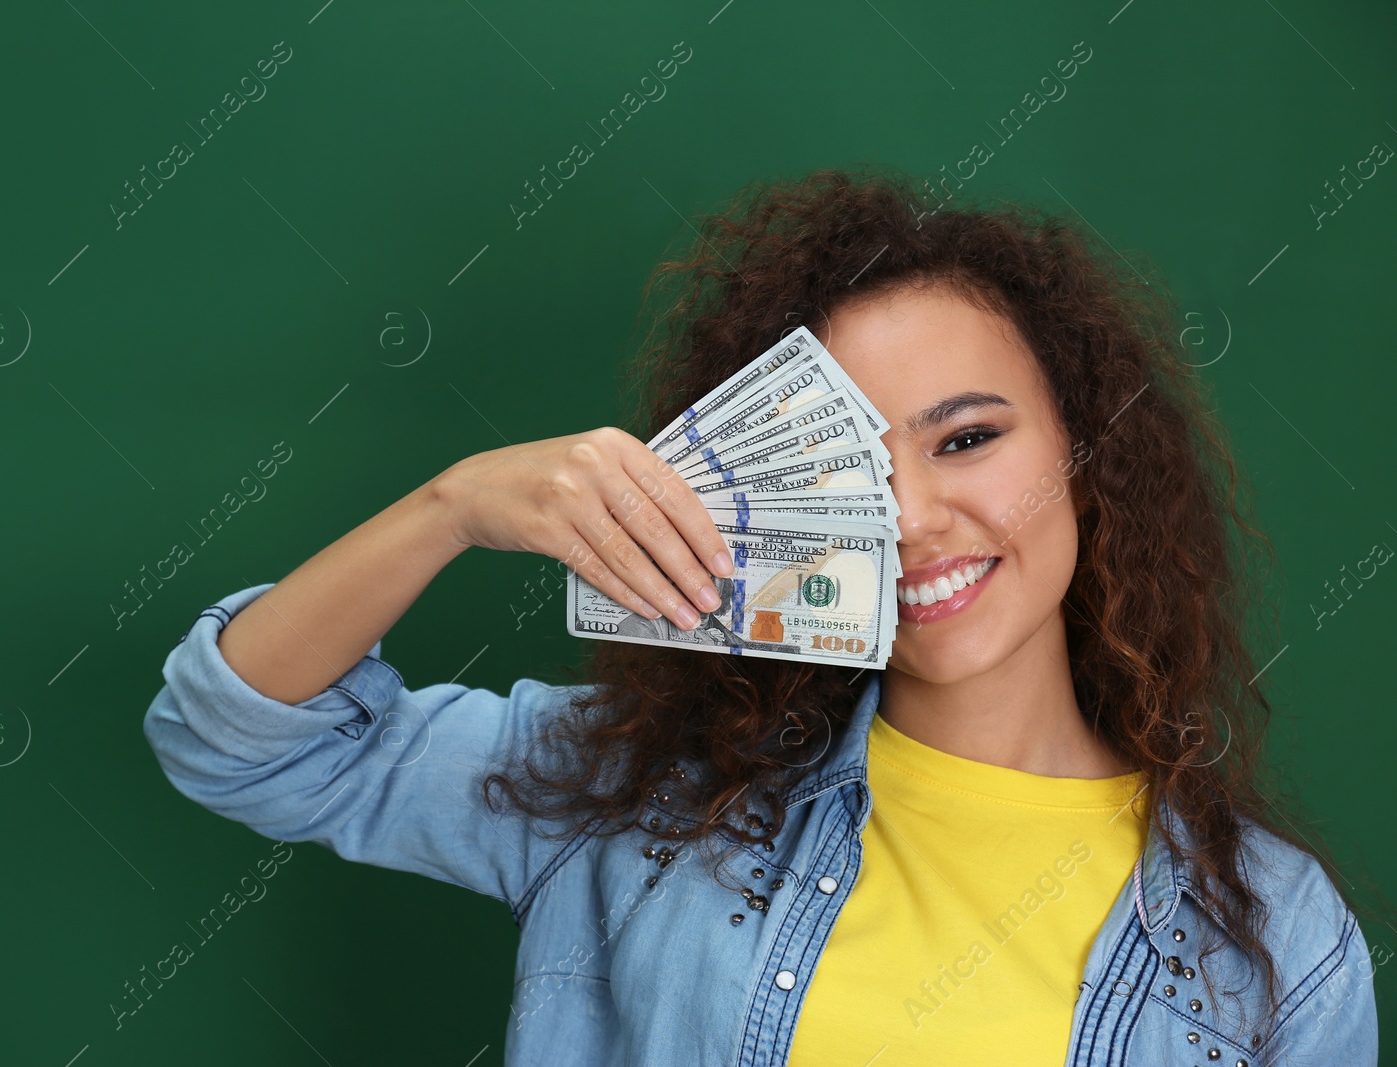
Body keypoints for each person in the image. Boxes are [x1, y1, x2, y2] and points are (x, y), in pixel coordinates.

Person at [142, 166, 1379, 1064]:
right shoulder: (635, 799)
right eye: (840, 466)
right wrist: (449, 506)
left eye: (967, 437)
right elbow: (244, 742)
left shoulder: (1270, 939)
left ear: (1086, 446)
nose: (907, 516)